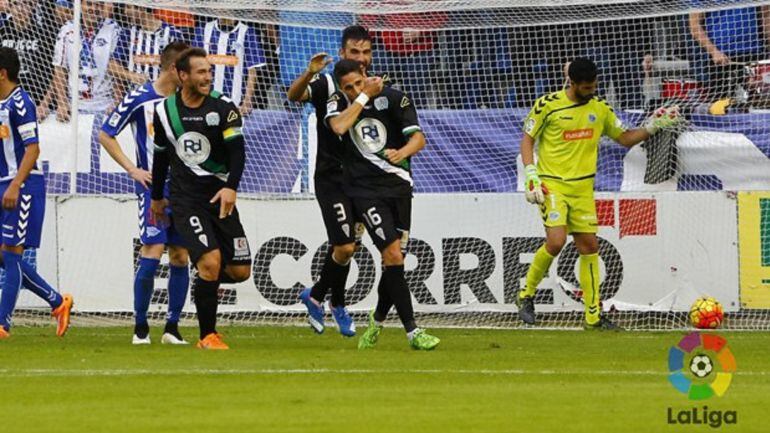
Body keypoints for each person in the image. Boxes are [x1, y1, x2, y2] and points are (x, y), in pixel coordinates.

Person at [516, 58, 680, 330]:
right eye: (586, 87)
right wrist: (531, 173)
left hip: (583, 188)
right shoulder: (547, 105)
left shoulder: (600, 108)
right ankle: (526, 295)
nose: (591, 90)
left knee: (590, 246)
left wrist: (653, 126)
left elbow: (624, 138)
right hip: (553, 184)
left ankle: (593, 315)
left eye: (594, 86)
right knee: (556, 241)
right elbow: (527, 138)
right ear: (572, 83)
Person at [325, 59, 439, 350]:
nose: (353, 89)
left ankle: (376, 321)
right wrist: (363, 97)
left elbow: (418, 138)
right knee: (392, 254)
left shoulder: (394, 97)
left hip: (399, 185)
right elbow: (338, 127)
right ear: (341, 87)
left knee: (394, 261)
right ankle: (413, 332)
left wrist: (402, 153)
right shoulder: (339, 102)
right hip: (364, 191)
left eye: (358, 83)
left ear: (366, 74)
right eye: (348, 87)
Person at [151, 48, 251, 350]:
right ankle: (208, 336)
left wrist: (231, 187)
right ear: (183, 76)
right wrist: (157, 196)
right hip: (186, 200)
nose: (207, 77)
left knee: (240, 271)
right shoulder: (164, 111)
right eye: (201, 72)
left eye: (209, 71)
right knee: (210, 262)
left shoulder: (223, 107)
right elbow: (160, 158)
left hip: (219, 197)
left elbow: (237, 152)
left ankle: (205, 281)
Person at [99, 41, 191, 345]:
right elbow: (106, 133)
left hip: (183, 188)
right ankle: (140, 327)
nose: (191, 76)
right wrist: (132, 169)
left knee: (180, 254)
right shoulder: (140, 98)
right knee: (152, 249)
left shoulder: (188, 101)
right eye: (186, 70)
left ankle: (172, 328)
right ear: (174, 70)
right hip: (152, 187)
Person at [286, 25, 375, 336]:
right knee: (345, 246)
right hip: (331, 178)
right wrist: (308, 73)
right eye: (354, 52)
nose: (361, 59)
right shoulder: (326, 83)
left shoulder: (372, 85)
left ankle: (324, 298)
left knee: (348, 247)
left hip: (362, 179)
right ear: (342, 53)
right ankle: (332, 301)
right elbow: (294, 96)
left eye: (366, 53)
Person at [0, 47, 73, 339]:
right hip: (5, 182)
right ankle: (57, 301)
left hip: (23, 185)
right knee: (5, 257)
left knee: (13, 254)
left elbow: (33, 148)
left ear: (2, 73)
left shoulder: (21, 103)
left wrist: (16, 185)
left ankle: (2, 324)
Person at [43, 0, 121, 121]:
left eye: (99, 4)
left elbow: (118, 69)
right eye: (89, 4)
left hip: (104, 106)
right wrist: (62, 103)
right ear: (79, 5)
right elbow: (60, 69)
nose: (94, 8)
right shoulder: (67, 29)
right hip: (73, 106)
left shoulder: (114, 30)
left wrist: (117, 101)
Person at [689, 2, 770, 100]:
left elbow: (766, 17)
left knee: (758, 103)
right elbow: (694, 26)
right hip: (722, 57)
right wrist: (714, 52)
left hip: (755, 53)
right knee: (721, 105)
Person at [194, 18, 266, 115]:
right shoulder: (204, 29)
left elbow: (252, 70)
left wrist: (247, 101)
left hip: (235, 103)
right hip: (206, 102)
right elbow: (194, 67)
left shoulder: (247, 32)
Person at [0, 0, 57, 106]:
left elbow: (56, 74)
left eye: (26, 3)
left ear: (33, 6)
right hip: (6, 103)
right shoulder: (2, 33)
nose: (20, 9)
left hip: (38, 101)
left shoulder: (45, 35)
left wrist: (44, 105)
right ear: (9, 7)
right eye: (16, 4)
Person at [110, 5, 184, 86]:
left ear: (141, 8)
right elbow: (112, 65)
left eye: (128, 7)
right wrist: (131, 76)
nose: (125, 12)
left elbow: (184, 67)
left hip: (164, 94)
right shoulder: (128, 33)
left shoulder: (173, 34)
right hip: (136, 94)